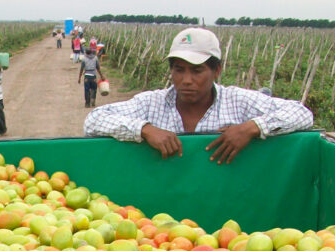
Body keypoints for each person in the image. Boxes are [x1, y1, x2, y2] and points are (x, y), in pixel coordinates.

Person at [84, 27, 313, 164]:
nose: (186, 80)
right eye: (178, 69)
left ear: (217, 71)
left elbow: (302, 113)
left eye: (197, 70)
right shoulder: (152, 103)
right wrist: (145, 130)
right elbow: (94, 120)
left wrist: (251, 128)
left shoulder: (238, 102)